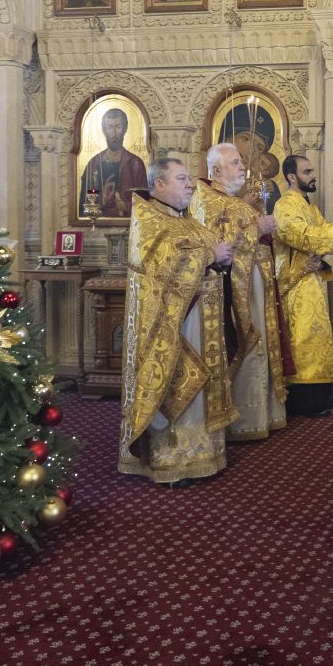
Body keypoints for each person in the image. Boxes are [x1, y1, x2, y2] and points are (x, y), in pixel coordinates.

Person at [118, 158, 237, 485]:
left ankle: (204, 454)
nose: (190, 185)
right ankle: (172, 460)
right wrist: (212, 255)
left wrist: (222, 257)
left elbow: (207, 249)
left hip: (202, 323)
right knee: (179, 383)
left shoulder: (184, 219)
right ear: (159, 185)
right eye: (182, 179)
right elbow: (165, 265)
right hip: (175, 328)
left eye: (189, 179)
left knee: (201, 385)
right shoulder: (150, 220)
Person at [193, 142, 287, 442]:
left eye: (241, 162)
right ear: (216, 170)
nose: (243, 167)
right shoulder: (207, 199)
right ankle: (244, 419)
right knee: (248, 345)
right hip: (235, 289)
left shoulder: (228, 199)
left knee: (260, 344)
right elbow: (217, 241)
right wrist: (257, 227)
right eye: (235, 162)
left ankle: (262, 415)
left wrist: (254, 219)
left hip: (252, 285)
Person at [273, 155, 333, 418]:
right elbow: (297, 234)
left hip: (313, 280)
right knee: (303, 339)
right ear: (291, 176)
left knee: (318, 338)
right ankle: (304, 401)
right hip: (296, 283)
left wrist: (322, 260)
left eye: (312, 170)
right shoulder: (285, 205)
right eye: (307, 171)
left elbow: (321, 232)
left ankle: (320, 395)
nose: (313, 175)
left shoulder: (310, 206)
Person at [80, 108, 147, 218]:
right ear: (103, 130)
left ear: (125, 129)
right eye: (110, 127)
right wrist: (102, 199)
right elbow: (83, 206)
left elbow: (144, 203)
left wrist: (126, 206)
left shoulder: (135, 164)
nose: (114, 133)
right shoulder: (93, 164)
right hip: (98, 224)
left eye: (118, 127)